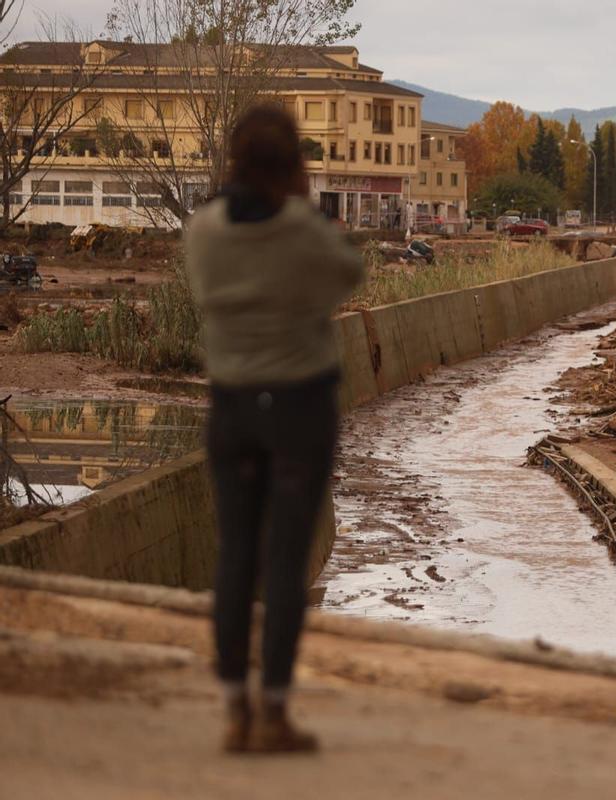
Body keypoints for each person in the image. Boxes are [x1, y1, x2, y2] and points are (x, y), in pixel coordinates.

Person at [185, 105, 364, 754]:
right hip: (298, 411)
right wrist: (308, 207)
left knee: (234, 556)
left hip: (231, 411)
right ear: (293, 165)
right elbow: (348, 274)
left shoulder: (204, 228)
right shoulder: (301, 229)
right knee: (285, 564)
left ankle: (234, 710)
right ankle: (276, 714)